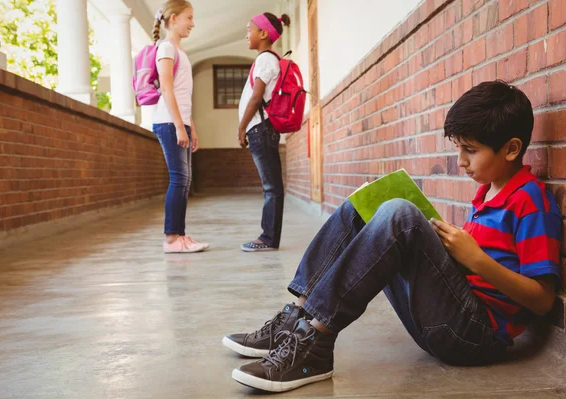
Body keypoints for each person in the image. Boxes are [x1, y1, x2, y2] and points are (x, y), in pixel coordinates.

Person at [223, 80, 563, 392]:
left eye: (470, 151)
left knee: (399, 215)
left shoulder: (531, 201)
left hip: (474, 336)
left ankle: (316, 344)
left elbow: (543, 300)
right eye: (459, 148)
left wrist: (475, 259)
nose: (461, 162)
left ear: (511, 148)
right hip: (447, 319)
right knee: (371, 202)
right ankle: (294, 319)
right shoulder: (487, 193)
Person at [152, 0, 208, 253]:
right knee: (178, 179)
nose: (192, 24)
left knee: (184, 181)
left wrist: (190, 126)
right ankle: (172, 239)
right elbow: (166, 88)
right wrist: (178, 126)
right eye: (189, 17)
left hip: (178, 121)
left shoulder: (178, 50)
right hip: (168, 121)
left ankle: (180, 235)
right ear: (173, 19)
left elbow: (183, 95)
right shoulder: (166, 47)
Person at [238, 12, 291, 252]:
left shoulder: (265, 60)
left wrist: (242, 127)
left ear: (263, 33)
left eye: (249, 29)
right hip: (262, 129)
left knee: (272, 187)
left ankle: (268, 239)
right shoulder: (266, 59)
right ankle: (268, 237)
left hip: (261, 129)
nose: (246, 34)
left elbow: (256, 96)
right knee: (271, 186)